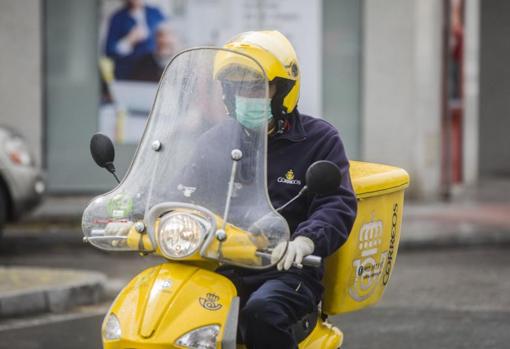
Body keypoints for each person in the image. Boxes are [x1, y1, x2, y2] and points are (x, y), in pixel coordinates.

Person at [212, 31, 358, 349]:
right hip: (220, 265)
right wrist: (134, 208)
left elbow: (337, 203)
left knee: (262, 312)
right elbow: (184, 187)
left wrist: (306, 241)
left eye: (256, 87)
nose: (245, 96)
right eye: (236, 88)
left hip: (287, 271)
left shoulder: (319, 140)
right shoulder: (217, 140)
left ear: (283, 90)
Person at [104, 0, 165, 80]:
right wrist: (129, 40)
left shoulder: (155, 13)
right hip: (127, 73)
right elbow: (109, 51)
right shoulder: (118, 18)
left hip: (152, 72)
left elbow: (167, 33)